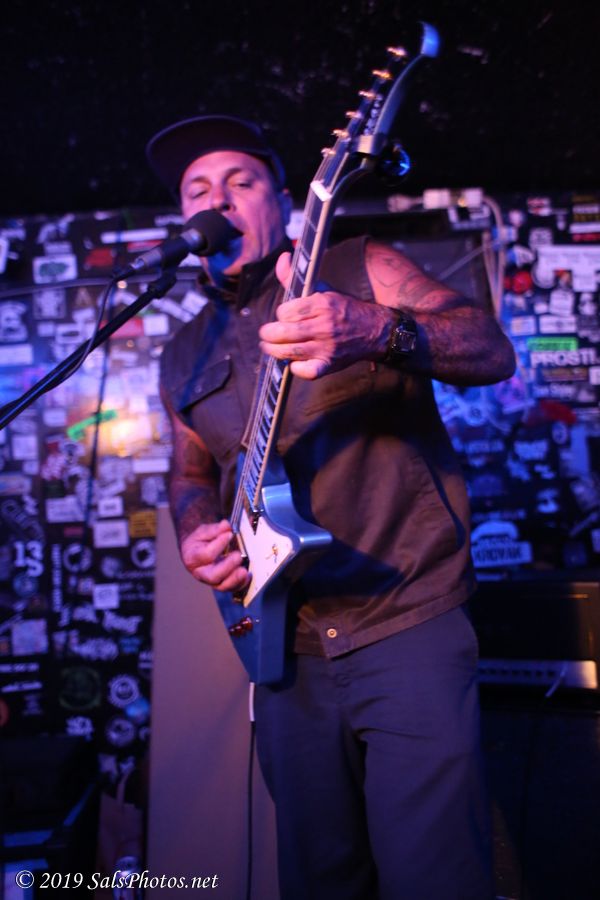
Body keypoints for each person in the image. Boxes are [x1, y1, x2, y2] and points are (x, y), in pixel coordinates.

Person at [148, 114, 516, 900]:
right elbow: (188, 471)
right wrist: (194, 530)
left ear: (281, 200)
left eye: (240, 181)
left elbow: (490, 347)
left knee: (434, 876)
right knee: (321, 876)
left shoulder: (358, 266)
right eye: (197, 189)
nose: (217, 199)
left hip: (406, 617)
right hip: (285, 647)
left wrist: (379, 329)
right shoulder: (181, 353)